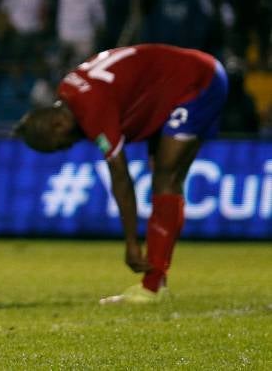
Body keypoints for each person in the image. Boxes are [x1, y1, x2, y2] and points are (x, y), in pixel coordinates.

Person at [14, 44, 228, 304]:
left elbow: (121, 177)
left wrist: (131, 242)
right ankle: (156, 283)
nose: (70, 146)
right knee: (163, 176)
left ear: (58, 125)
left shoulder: (91, 108)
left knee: (166, 178)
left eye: (62, 144)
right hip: (171, 84)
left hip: (197, 81)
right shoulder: (70, 92)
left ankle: (153, 286)